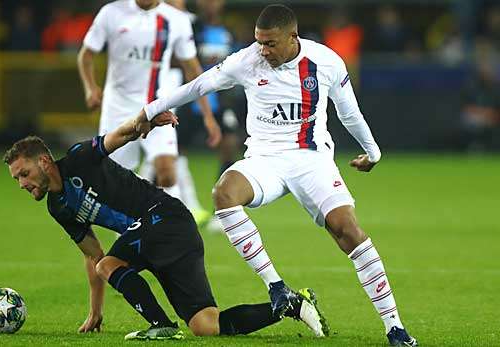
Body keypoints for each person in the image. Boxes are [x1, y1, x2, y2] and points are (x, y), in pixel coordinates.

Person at [138, 4, 417, 346]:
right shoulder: (247, 60)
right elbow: (199, 85)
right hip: (265, 160)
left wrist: (373, 152)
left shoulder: (326, 62)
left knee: (348, 231)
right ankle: (277, 288)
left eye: (270, 43)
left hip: (311, 160)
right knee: (223, 193)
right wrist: (150, 111)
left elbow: (350, 113)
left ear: (292, 37)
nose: (263, 50)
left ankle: (395, 328)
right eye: (259, 42)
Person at [3, 112, 326, 339]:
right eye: (17, 179)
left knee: (111, 263)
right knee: (206, 325)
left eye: (24, 174)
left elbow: (117, 137)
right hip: (153, 237)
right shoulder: (57, 207)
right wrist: (96, 310)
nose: (21, 184)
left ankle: (161, 325)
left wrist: (147, 121)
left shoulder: (78, 159)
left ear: (44, 162)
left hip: (165, 218)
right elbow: (94, 256)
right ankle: (291, 305)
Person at [77, 0, 221, 206]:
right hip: (118, 107)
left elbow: (193, 70)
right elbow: (86, 55)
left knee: (167, 172)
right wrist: (90, 88)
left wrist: (208, 115)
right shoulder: (112, 13)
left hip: (156, 108)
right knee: (116, 180)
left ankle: (173, 228)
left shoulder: (176, 20)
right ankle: (128, 231)